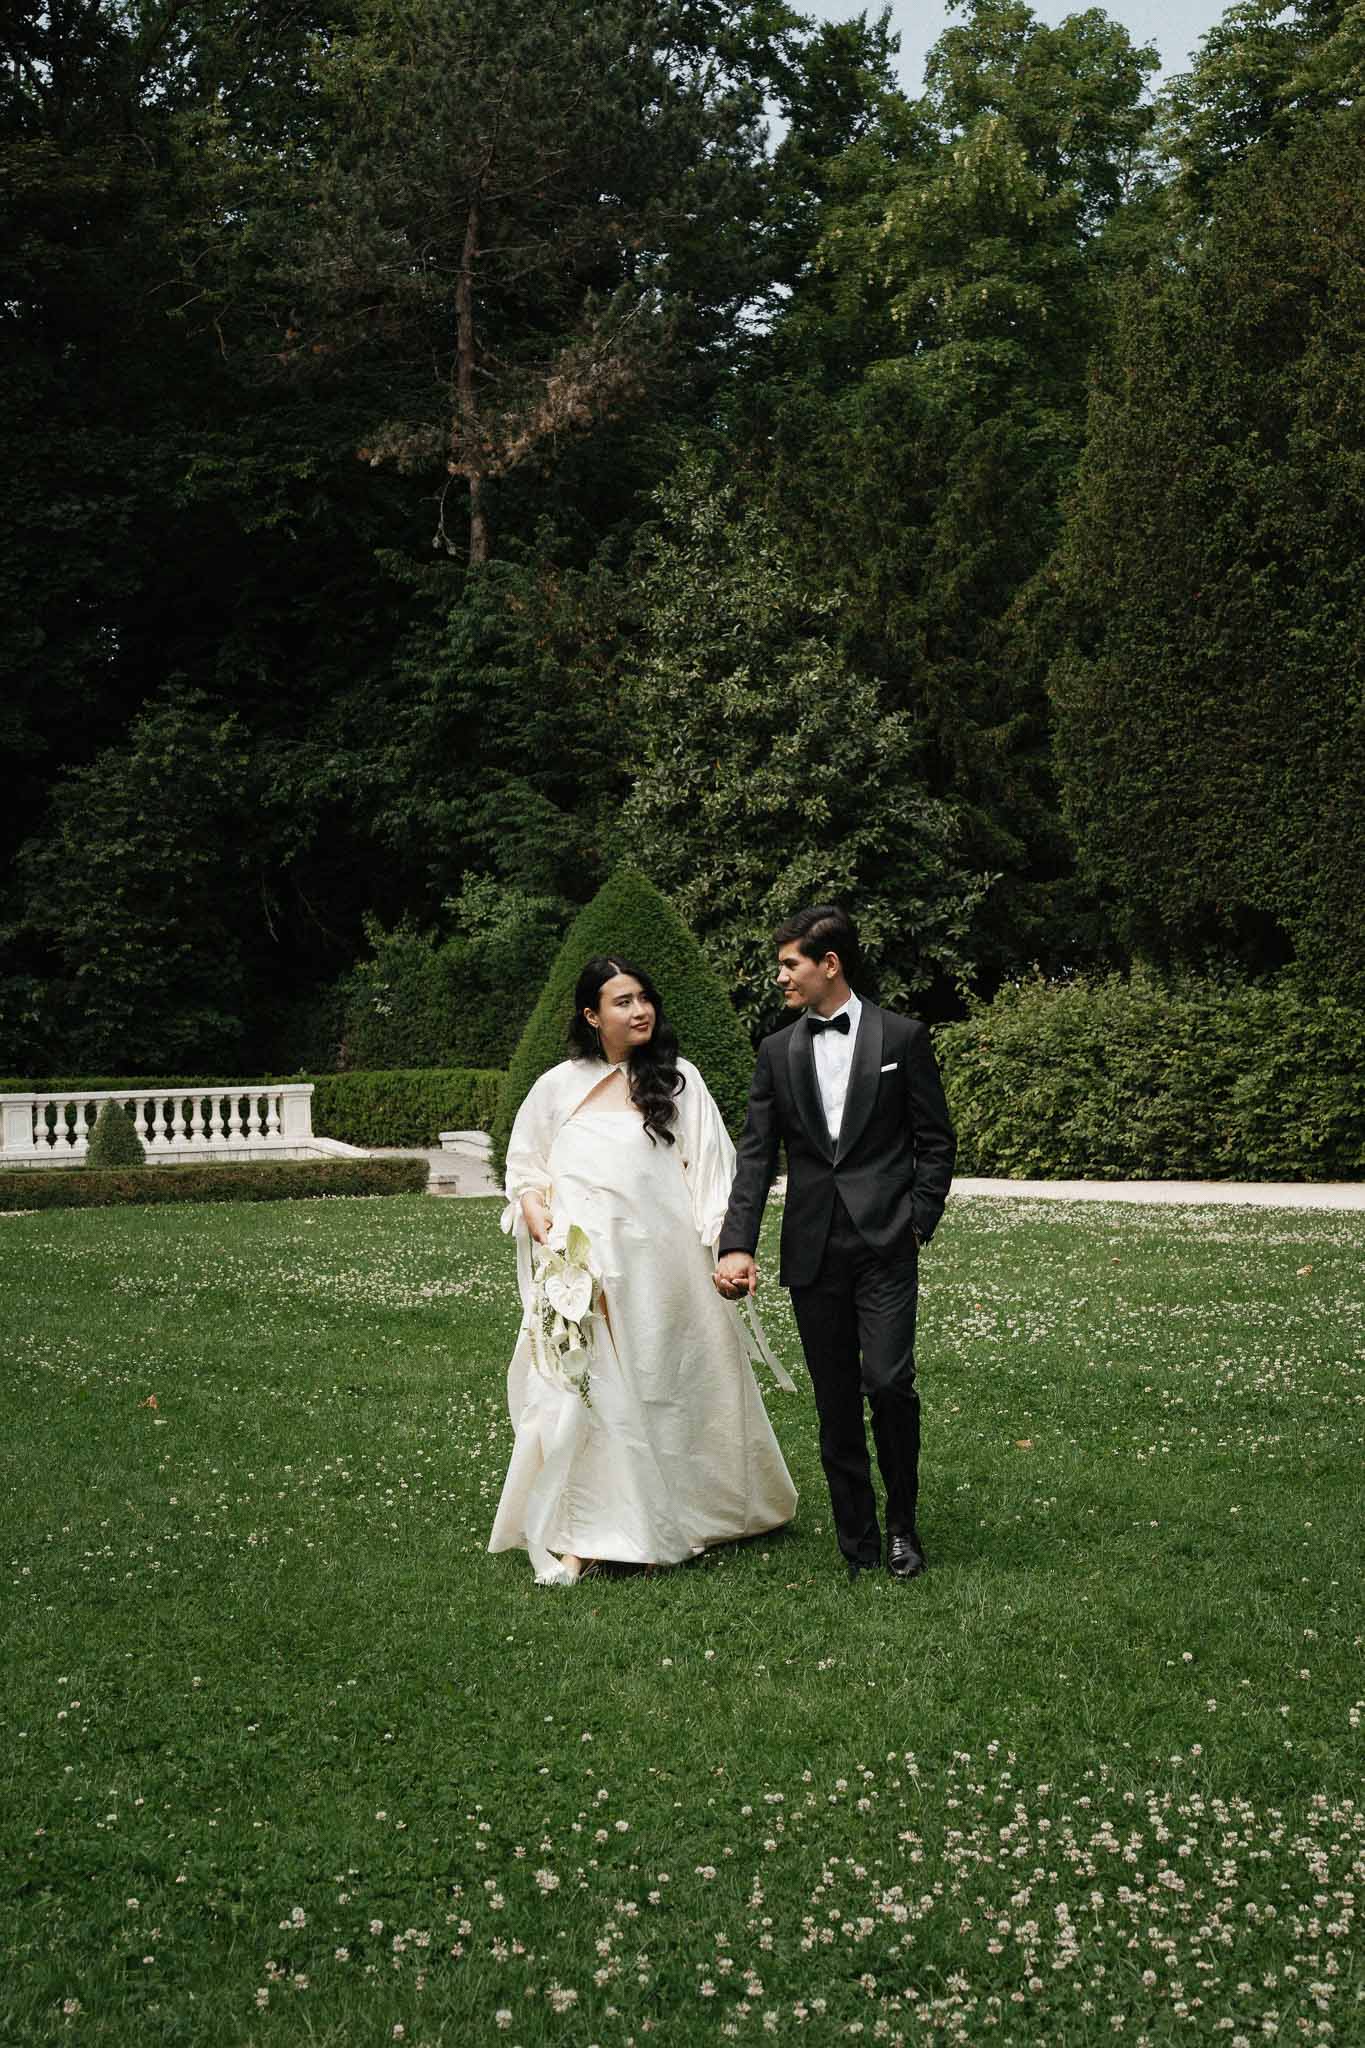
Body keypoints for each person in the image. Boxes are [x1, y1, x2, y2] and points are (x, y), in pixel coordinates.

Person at [489, 955, 797, 1585]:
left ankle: (691, 1509)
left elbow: (713, 1172)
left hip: (666, 1269)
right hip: (584, 1272)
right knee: (586, 1394)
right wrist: (536, 1213)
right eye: (622, 1001)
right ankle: (586, 1536)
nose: (639, 1010)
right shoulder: (554, 1087)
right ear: (590, 1015)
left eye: (643, 998)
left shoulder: (680, 1079)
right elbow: (526, 1168)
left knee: (671, 1385)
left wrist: (729, 1250)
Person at [714, 906, 955, 1583]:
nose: (780, 976)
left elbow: (934, 1139)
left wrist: (917, 1219)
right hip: (812, 1249)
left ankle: (903, 1524)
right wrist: (738, 1243)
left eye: (790, 963)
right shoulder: (775, 1051)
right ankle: (856, 1539)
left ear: (830, 964)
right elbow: (756, 1156)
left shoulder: (902, 1037)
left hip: (886, 1243)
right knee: (835, 1401)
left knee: (887, 1382)